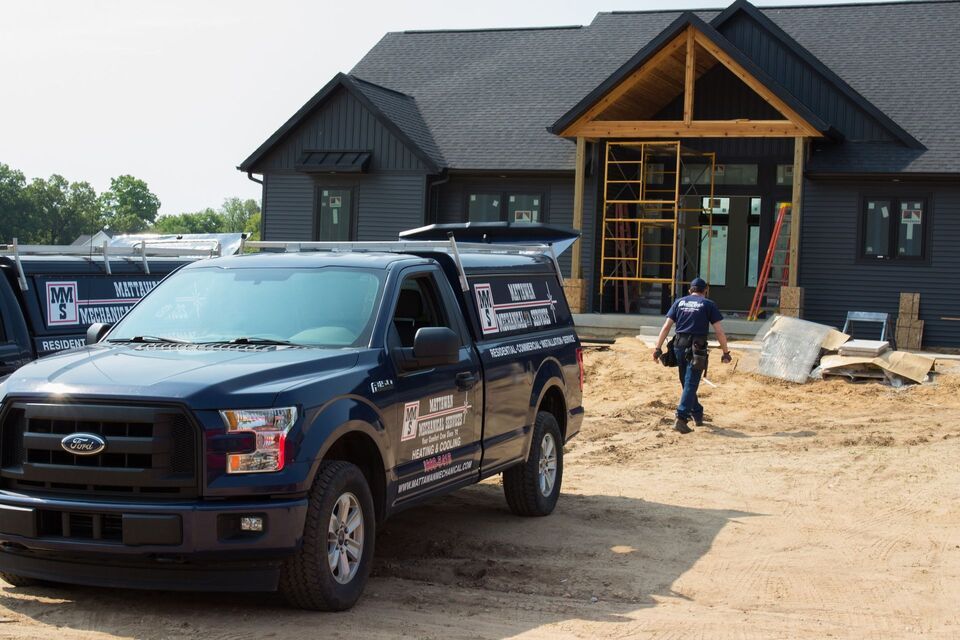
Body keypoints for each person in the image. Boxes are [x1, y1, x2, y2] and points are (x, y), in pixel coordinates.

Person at [652, 277, 732, 434]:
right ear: (705, 291)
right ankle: (681, 418)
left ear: (690, 290)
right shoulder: (708, 304)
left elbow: (667, 326)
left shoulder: (679, 302)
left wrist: (657, 348)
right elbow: (719, 331)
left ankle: (697, 413)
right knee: (690, 384)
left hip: (678, 347)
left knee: (686, 382)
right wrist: (725, 353)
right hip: (697, 349)